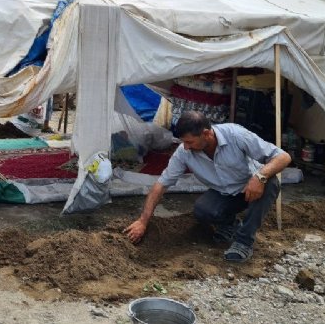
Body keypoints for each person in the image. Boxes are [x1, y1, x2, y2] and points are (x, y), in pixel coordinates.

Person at [123, 110, 291, 262]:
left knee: (270, 183)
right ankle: (230, 226)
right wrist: (143, 221)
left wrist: (260, 177)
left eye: (190, 142)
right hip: (225, 193)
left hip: (252, 189)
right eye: (184, 142)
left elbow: (283, 157)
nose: (186, 147)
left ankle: (244, 242)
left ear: (206, 134)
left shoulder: (235, 134)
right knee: (203, 210)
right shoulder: (184, 151)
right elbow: (161, 185)